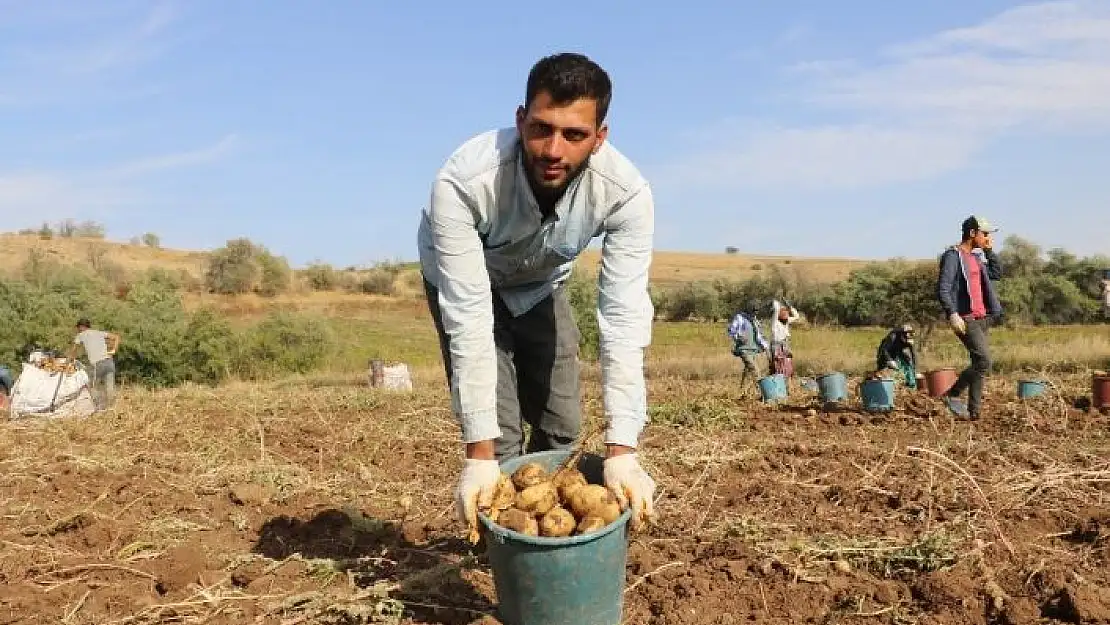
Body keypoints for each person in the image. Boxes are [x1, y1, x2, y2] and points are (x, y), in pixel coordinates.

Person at [417, 53, 657, 536]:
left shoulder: (626, 193)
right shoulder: (465, 181)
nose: (553, 149)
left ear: (600, 136)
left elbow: (624, 318)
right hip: (467, 282)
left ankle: (567, 540)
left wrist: (624, 451)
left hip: (539, 285)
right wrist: (479, 456)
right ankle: (508, 545)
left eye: (574, 135)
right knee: (500, 441)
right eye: (541, 128)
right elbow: (468, 317)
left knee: (564, 426)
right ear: (520, 119)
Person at [936, 215, 1003, 420]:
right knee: (984, 362)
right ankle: (953, 393)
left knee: (978, 365)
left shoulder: (976, 258)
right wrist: (952, 313)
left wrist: (989, 251)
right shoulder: (953, 256)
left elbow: (997, 273)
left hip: (983, 318)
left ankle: (974, 413)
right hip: (966, 318)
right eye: (985, 234)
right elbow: (943, 288)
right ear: (972, 233)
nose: (987, 237)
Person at [66, 318, 121, 412]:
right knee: (110, 387)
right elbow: (117, 337)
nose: (78, 329)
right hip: (109, 362)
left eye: (79, 327)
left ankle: (99, 409)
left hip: (98, 364)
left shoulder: (81, 335)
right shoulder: (99, 332)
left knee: (93, 386)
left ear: (82, 327)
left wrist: (68, 360)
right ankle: (112, 408)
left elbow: (74, 350)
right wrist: (114, 350)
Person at [727, 305, 769, 390]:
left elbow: (759, 336)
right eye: (754, 311)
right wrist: (739, 336)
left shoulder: (755, 320)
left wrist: (765, 346)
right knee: (755, 370)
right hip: (743, 349)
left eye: (756, 311)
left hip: (753, 350)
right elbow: (731, 330)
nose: (755, 313)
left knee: (747, 371)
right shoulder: (740, 318)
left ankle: (742, 391)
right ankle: (762, 391)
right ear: (749, 309)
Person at [875, 324, 917, 389]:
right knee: (883, 368)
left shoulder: (910, 338)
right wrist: (889, 360)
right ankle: (883, 385)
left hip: (898, 351)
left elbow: (913, 355)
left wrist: (914, 369)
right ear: (902, 335)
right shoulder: (892, 337)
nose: (907, 342)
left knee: (907, 362)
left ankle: (910, 384)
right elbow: (884, 350)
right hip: (886, 351)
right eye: (906, 340)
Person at [768, 299, 799, 377]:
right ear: (779, 315)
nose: (787, 315)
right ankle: (778, 380)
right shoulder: (775, 321)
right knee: (778, 364)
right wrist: (775, 301)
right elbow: (776, 309)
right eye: (784, 313)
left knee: (787, 362)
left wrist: (790, 306)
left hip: (785, 344)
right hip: (777, 345)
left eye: (787, 313)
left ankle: (787, 378)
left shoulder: (786, 321)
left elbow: (796, 316)